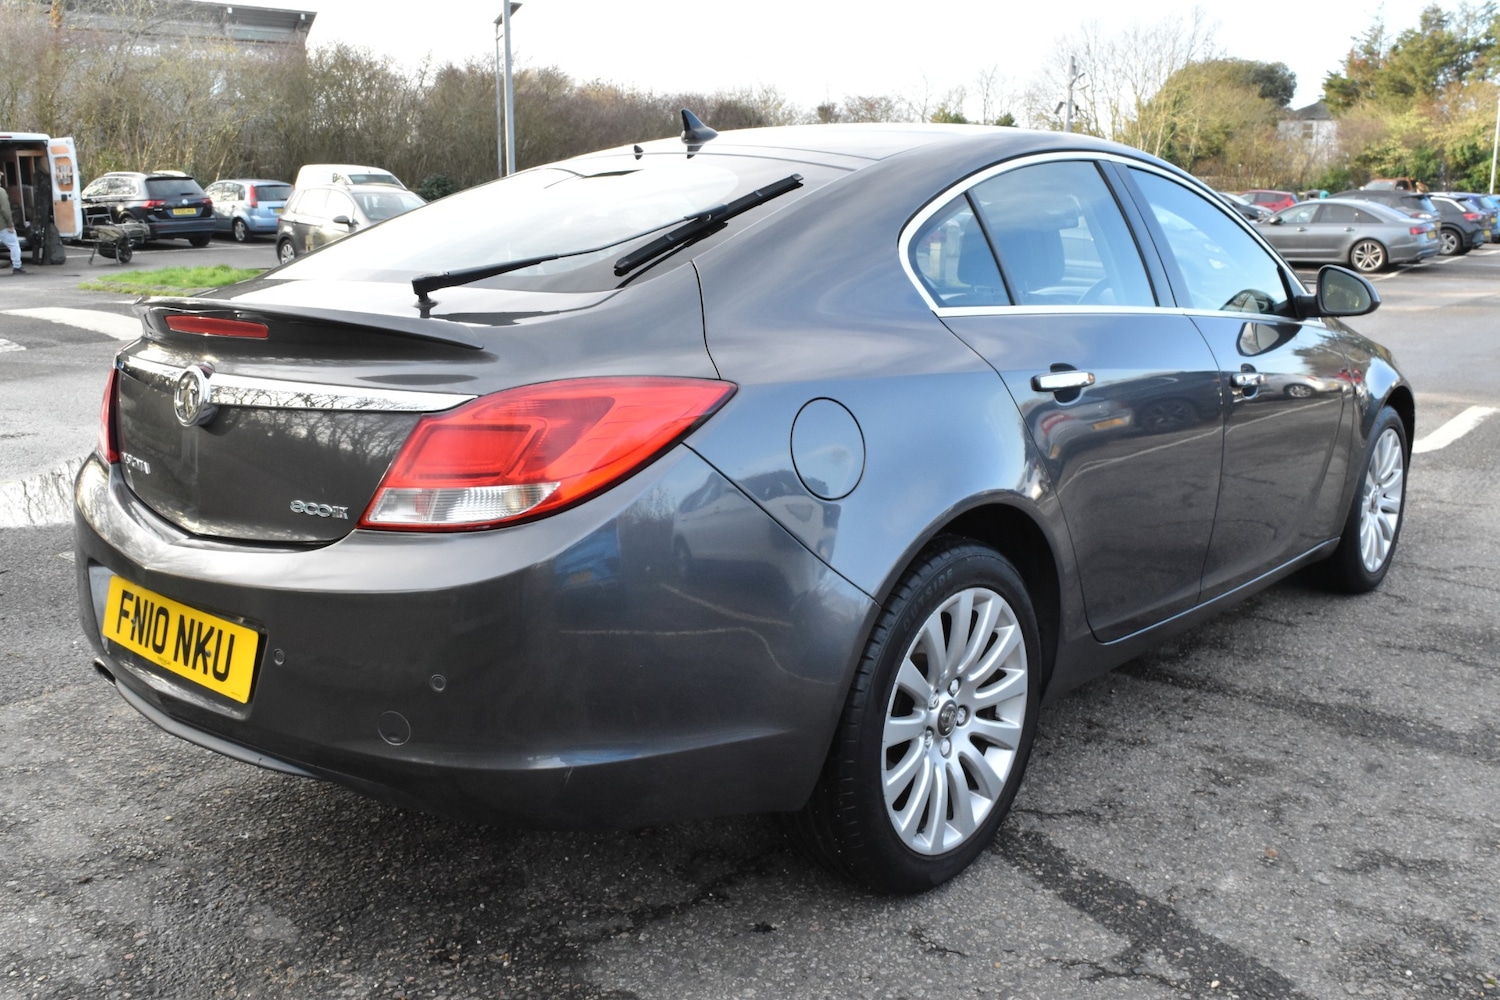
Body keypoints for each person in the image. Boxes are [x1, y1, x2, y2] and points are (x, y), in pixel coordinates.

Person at [1, 189, 24, 274]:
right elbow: (5, 209)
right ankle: (17, 267)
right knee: (14, 245)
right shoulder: (1, 192)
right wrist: (10, 224)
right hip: (2, 225)